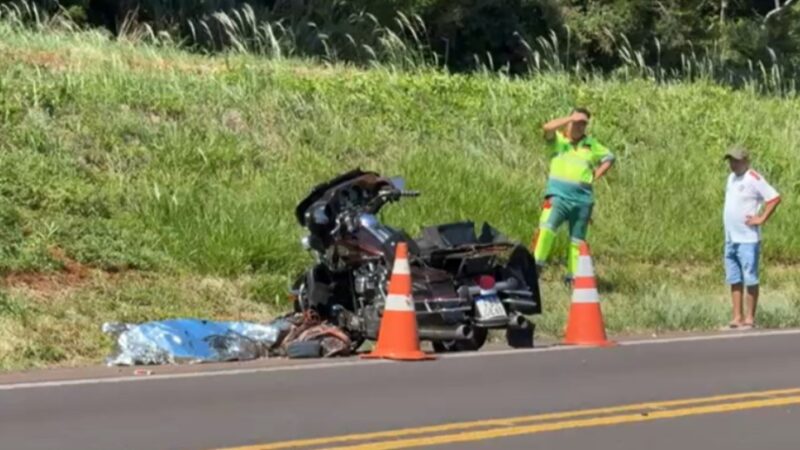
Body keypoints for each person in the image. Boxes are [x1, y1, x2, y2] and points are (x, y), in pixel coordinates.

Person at [531, 108, 615, 283]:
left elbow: (609, 157)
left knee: (577, 241)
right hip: (558, 197)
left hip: (582, 201)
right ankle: (534, 269)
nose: (579, 126)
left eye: (583, 123)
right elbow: (547, 128)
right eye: (577, 122)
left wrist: (596, 175)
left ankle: (573, 279)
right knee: (546, 230)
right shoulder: (558, 140)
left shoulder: (591, 144)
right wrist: (570, 118)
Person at [723, 146, 781, 329]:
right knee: (734, 278)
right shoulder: (731, 178)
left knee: (750, 278)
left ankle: (750, 317)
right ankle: (737, 317)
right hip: (731, 238)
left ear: (745, 161)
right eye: (731, 160)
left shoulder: (753, 177)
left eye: (736, 160)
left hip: (747, 239)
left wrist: (761, 218)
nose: (733, 164)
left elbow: (774, 198)